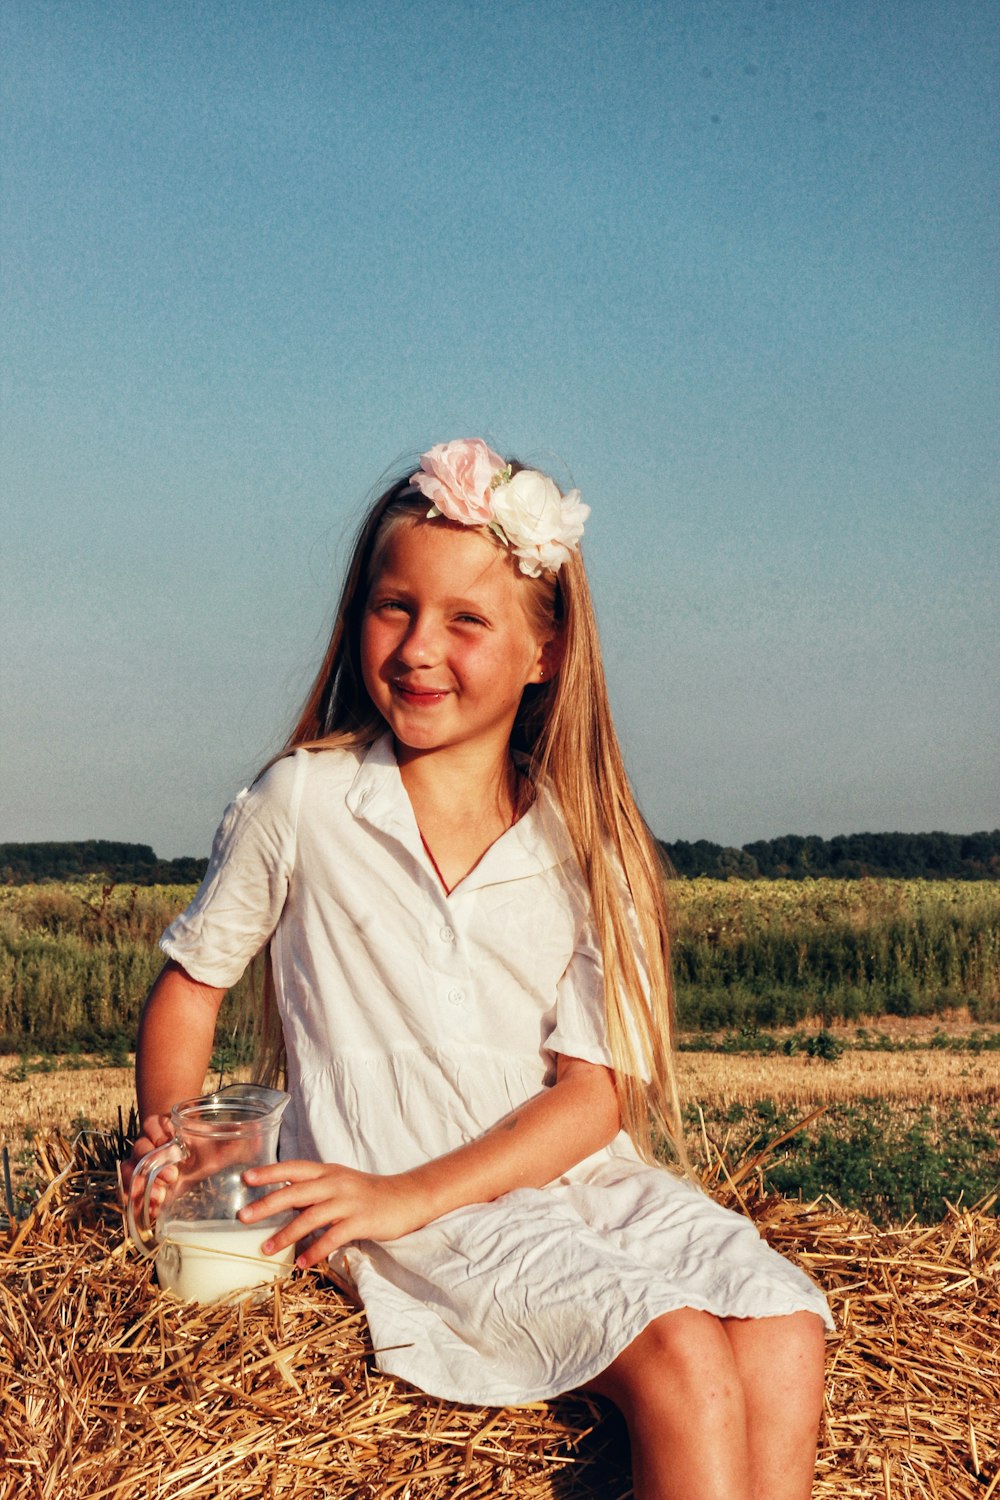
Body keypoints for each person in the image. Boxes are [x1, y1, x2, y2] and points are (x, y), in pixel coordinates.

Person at [128, 438, 832, 1500]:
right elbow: (192, 986)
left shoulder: (589, 842)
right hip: (395, 1188)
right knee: (682, 1353)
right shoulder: (304, 803)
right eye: (393, 607)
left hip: (566, 1177)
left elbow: (593, 1098)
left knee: (781, 1328)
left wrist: (419, 1190)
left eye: (467, 620)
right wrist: (180, 1148)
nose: (419, 648)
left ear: (546, 652)